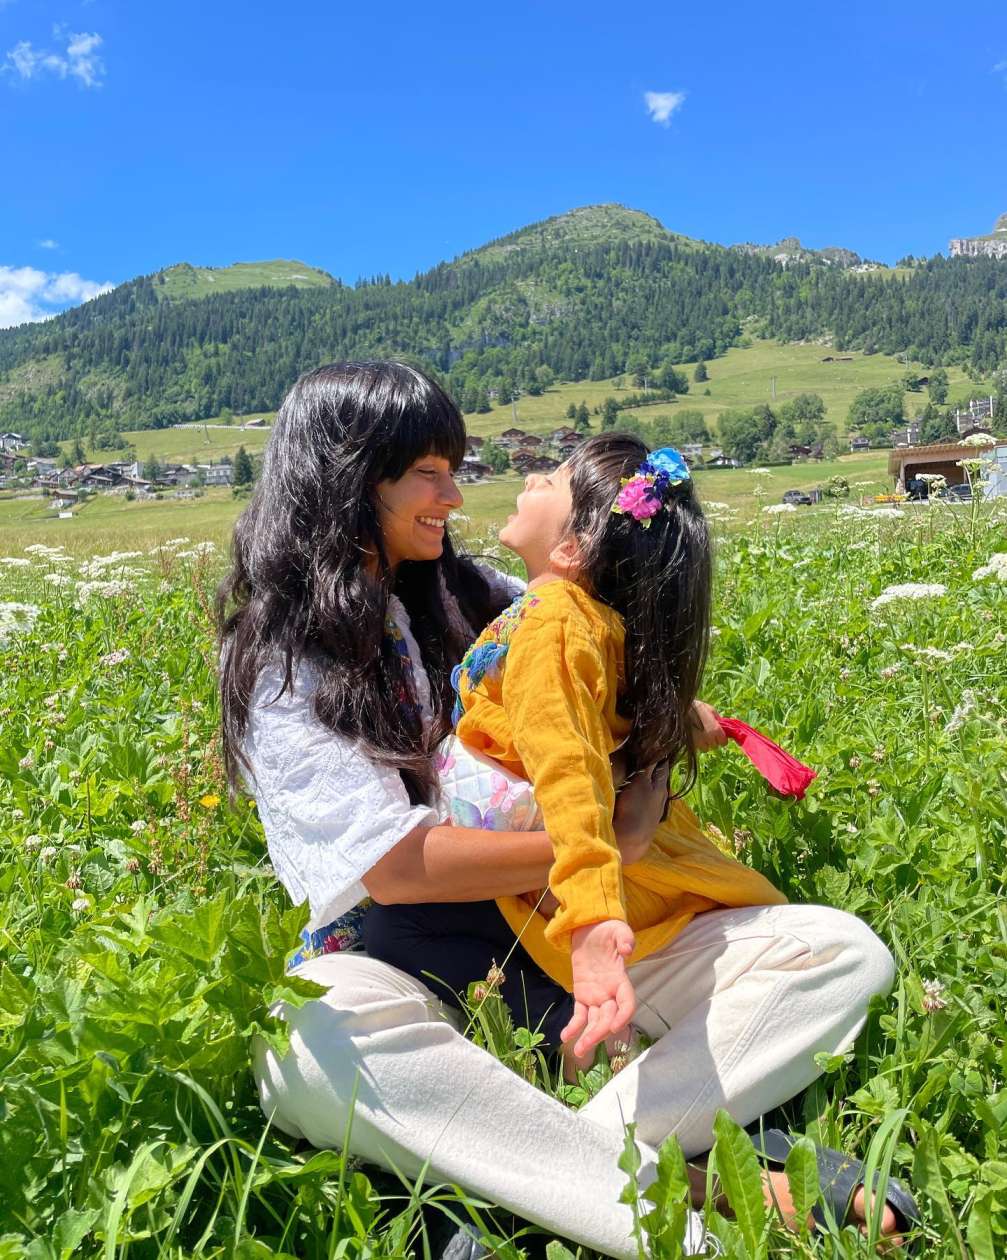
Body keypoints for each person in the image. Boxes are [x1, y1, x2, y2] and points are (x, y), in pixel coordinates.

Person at [218, 361, 910, 1258]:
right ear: (349, 478)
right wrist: (603, 846)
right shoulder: (282, 655)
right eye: (427, 472)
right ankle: (692, 1201)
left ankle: (524, 1178)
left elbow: (618, 681)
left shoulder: (479, 598)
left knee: (840, 955)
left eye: (452, 469)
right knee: (305, 1042)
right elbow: (392, 871)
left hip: (559, 941)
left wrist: (653, 760)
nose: (453, 496)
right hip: (403, 954)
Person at [363, 436, 786, 1078]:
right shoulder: (572, 614)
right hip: (555, 867)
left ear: (572, 548)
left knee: (398, 937)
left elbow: (569, 769)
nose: (531, 478)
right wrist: (680, 722)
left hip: (561, 880)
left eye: (553, 480)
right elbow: (597, 718)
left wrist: (591, 923)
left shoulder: (554, 622)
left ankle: (590, 1057)